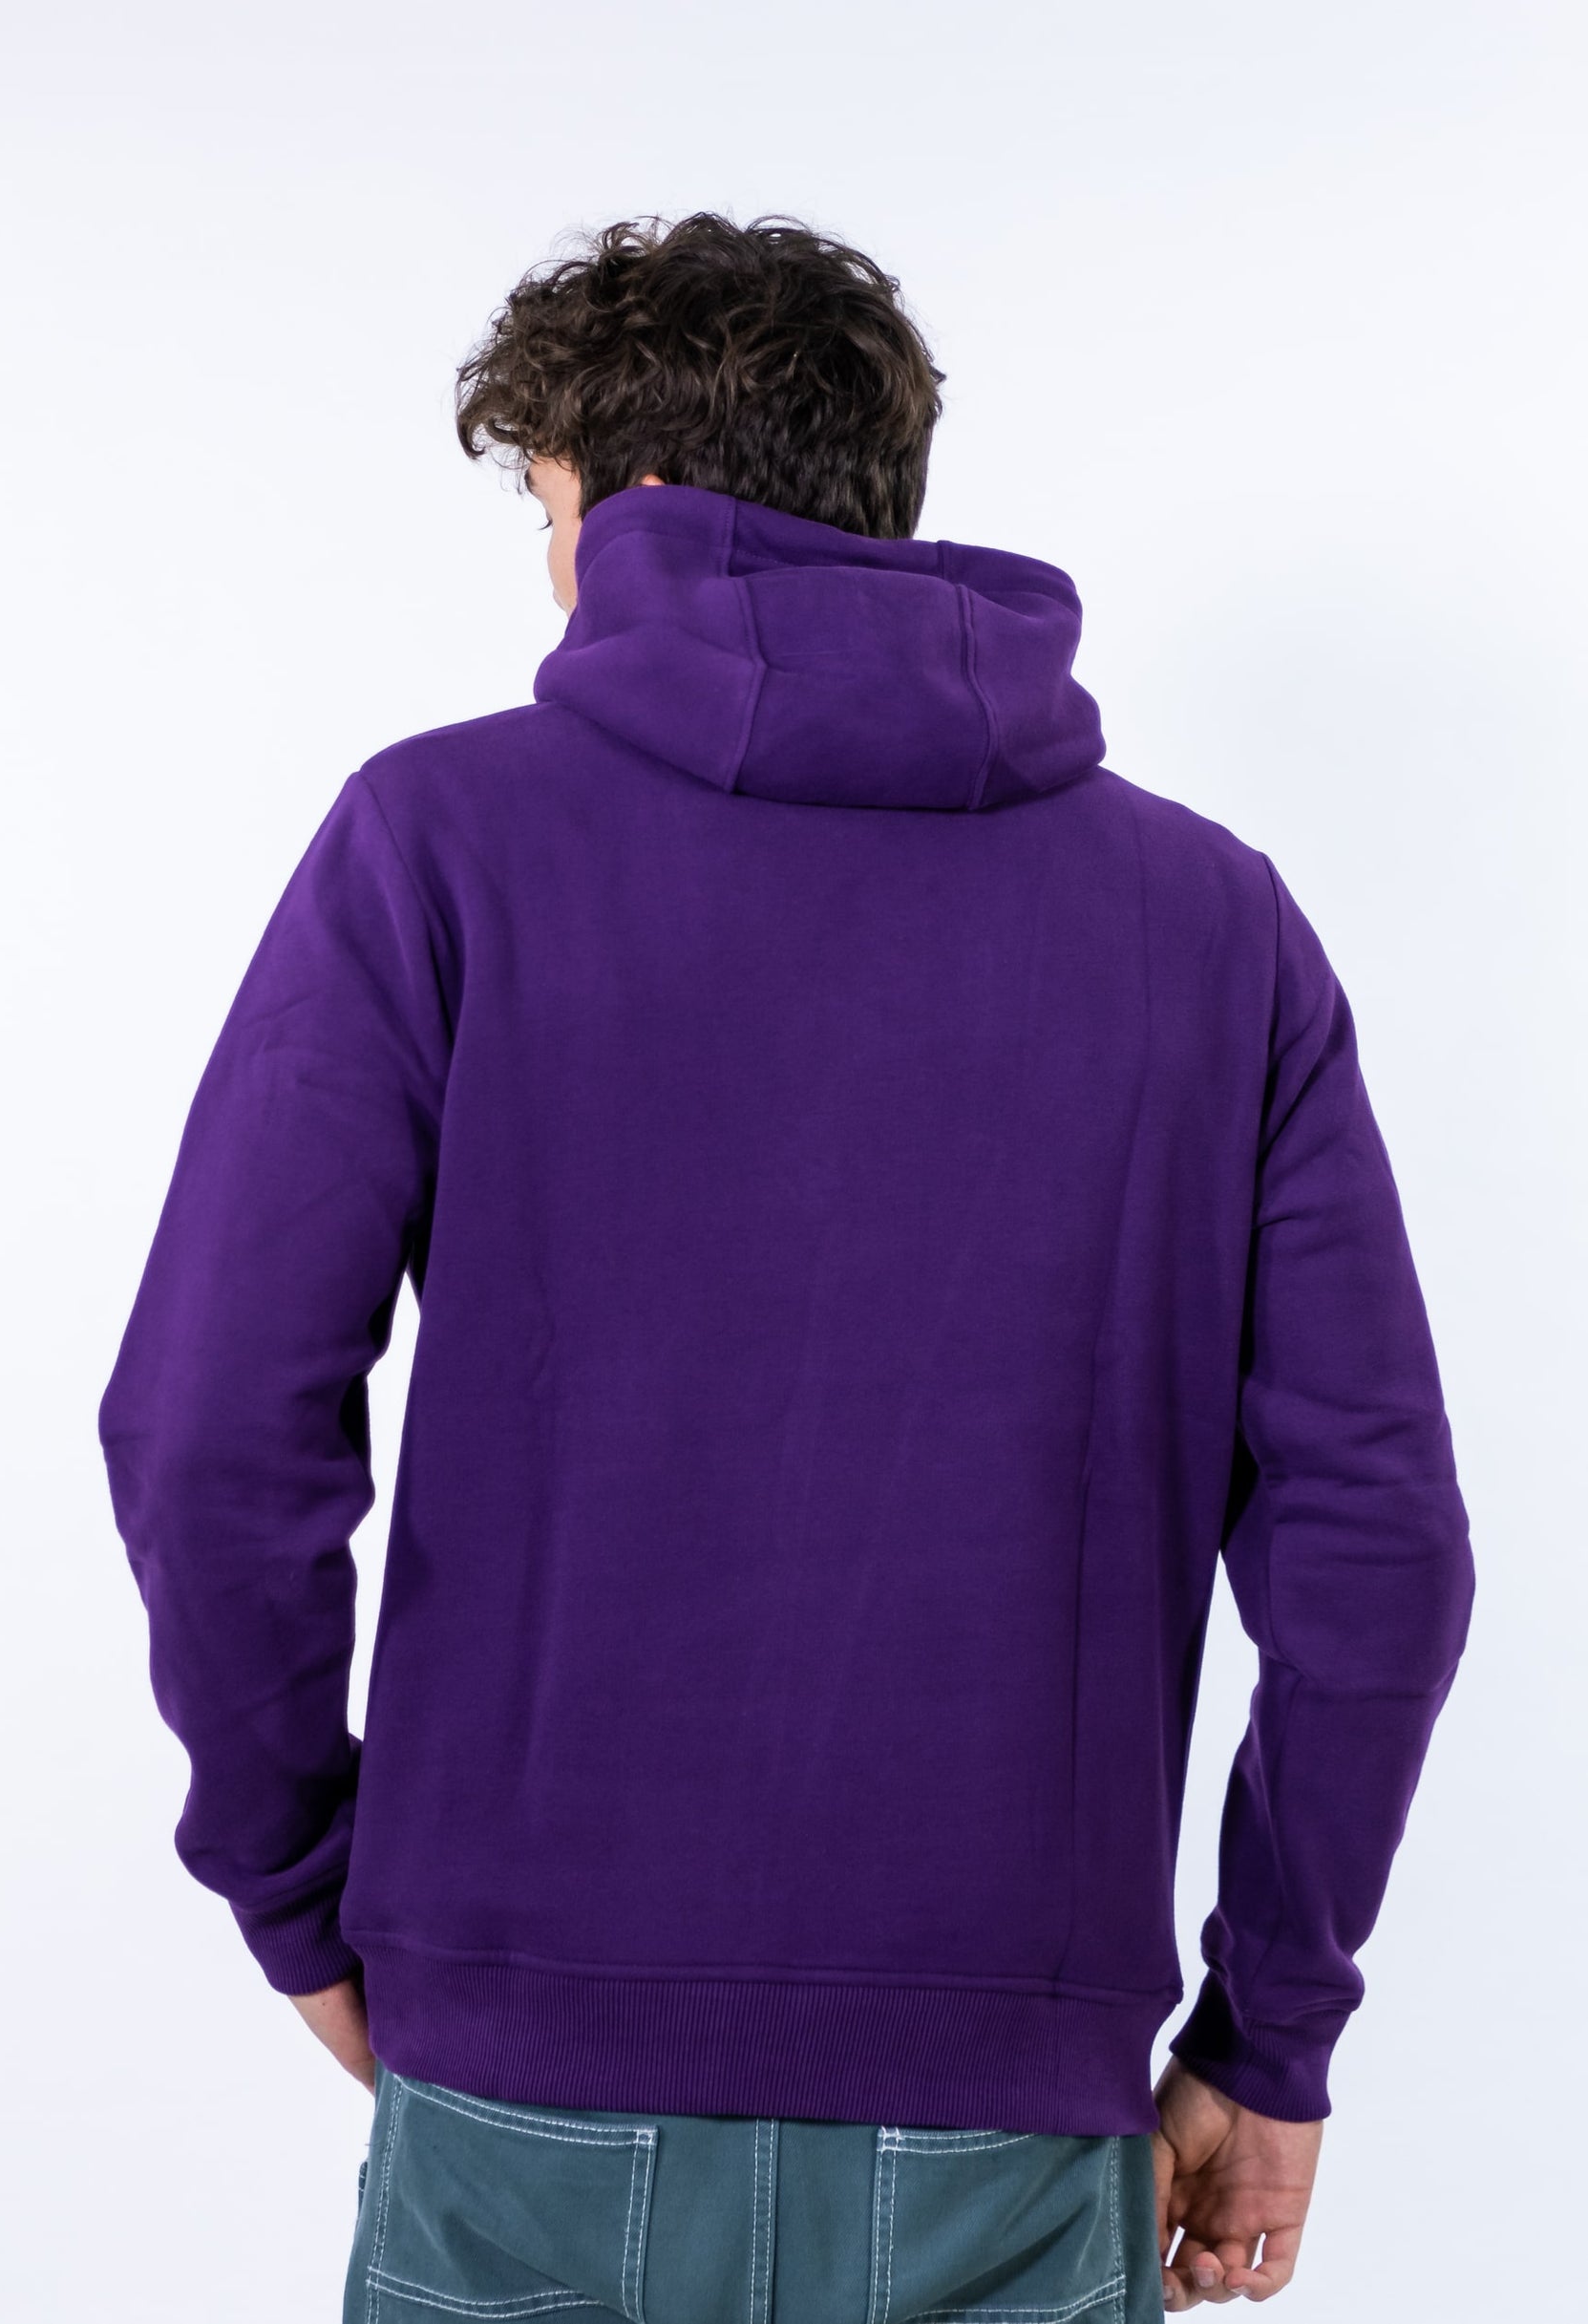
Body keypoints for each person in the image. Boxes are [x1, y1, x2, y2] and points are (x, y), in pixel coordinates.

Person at [96, 212, 1474, 2319]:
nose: (550, 573)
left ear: (636, 504)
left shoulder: (437, 839)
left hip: (524, 2089)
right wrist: (1266, 2033)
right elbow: (1376, 1541)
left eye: (546, 511)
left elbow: (208, 1429)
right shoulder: (1212, 925)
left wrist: (299, 1888)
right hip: (1011, 2121)